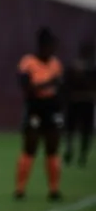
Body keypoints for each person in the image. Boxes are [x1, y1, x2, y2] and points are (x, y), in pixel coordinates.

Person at [15, 28, 65, 200]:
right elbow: (27, 88)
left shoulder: (56, 64)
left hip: (51, 108)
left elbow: (61, 89)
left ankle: (54, 189)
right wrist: (48, 83)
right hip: (35, 107)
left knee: (53, 147)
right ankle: (20, 189)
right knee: (30, 146)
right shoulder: (28, 62)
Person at [63, 39, 95, 167]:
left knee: (83, 130)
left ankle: (80, 154)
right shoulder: (74, 66)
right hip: (77, 101)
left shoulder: (91, 67)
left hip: (83, 101)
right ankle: (73, 152)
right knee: (73, 129)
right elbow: (66, 84)